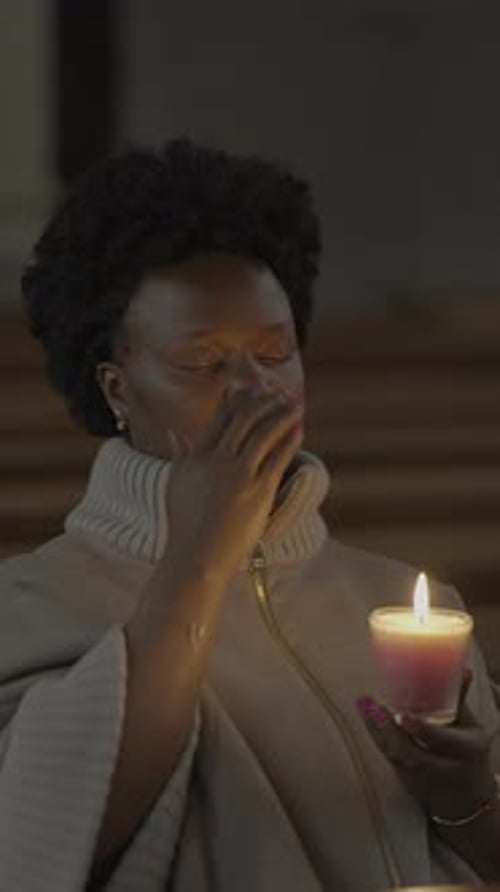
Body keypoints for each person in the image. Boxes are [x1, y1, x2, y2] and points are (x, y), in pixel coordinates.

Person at [0, 138, 499, 892]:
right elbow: (44, 848)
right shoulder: (28, 609)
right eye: (204, 364)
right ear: (116, 387)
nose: (255, 391)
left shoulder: (394, 599)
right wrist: (201, 550)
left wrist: (468, 800)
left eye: (276, 352)